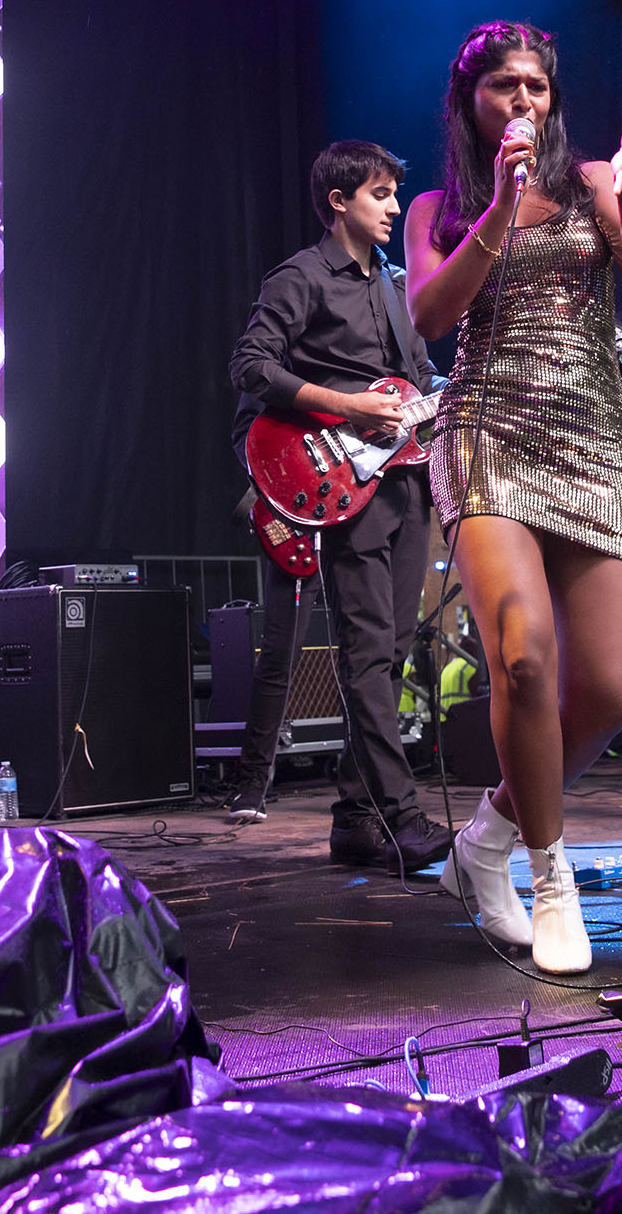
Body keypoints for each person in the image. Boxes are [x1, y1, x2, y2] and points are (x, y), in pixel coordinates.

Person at [404, 20, 622, 975]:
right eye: (504, 84)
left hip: (592, 439)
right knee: (522, 655)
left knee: (605, 690)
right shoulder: (438, 204)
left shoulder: (594, 179)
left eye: (538, 86)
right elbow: (431, 318)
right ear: (469, 99)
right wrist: (499, 209)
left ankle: (481, 841)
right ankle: (551, 875)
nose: (523, 99)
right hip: (485, 430)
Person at [227, 142, 453, 873]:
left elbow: (419, 384)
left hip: (406, 479)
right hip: (341, 483)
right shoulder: (301, 277)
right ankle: (402, 812)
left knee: (389, 652)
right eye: (381, 194)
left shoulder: (399, 286)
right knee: (363, 652)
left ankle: (356, 816)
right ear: (339, 199)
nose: (394, 207)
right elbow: (251, 364)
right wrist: (345, 406)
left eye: (394, 194)